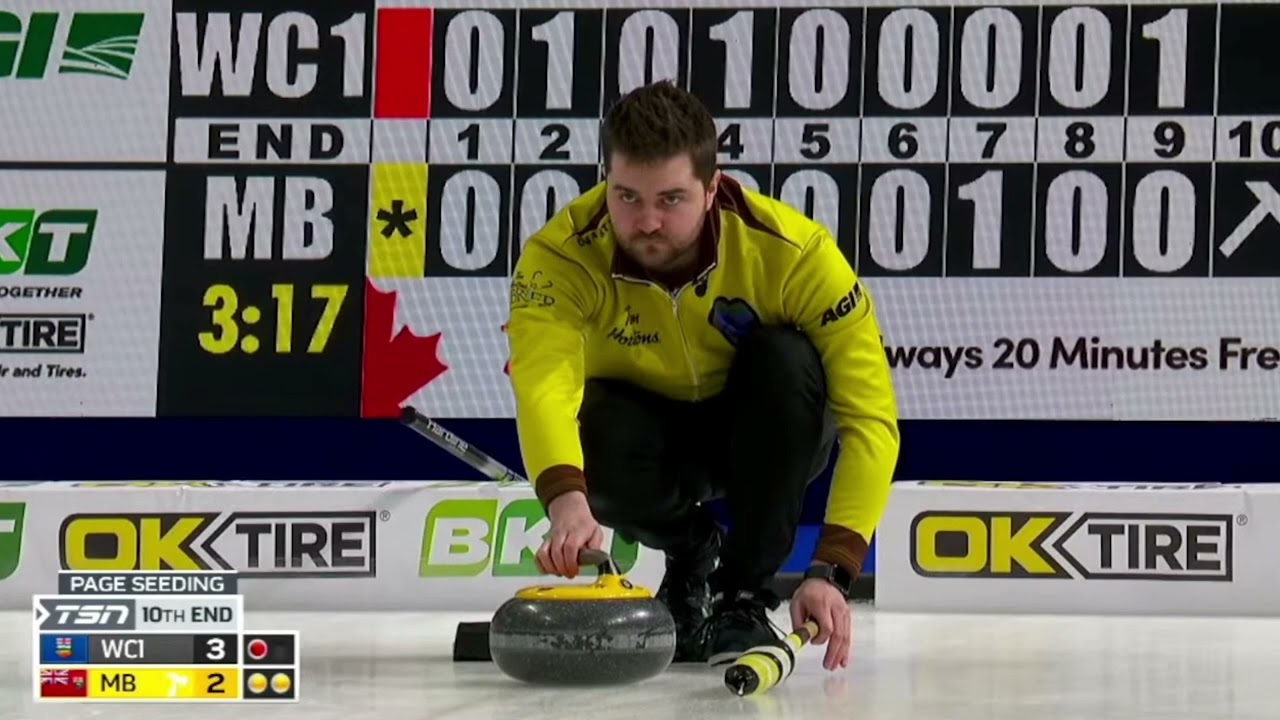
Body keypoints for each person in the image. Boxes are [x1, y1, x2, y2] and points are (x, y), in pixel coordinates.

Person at [505, 80, 899, 671]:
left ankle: (743, 595)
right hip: (649, 441)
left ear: (713, 187)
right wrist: (566, 501)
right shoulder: (559, 257)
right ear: (605, 181)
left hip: (765, 434)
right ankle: (691, 555)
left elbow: (870, 420)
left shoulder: (795, 253)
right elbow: (543, 385)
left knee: (785, 358)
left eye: (671, 199)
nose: (647, 223)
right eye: (627, 197)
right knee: (591, 424)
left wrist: (833, 571)